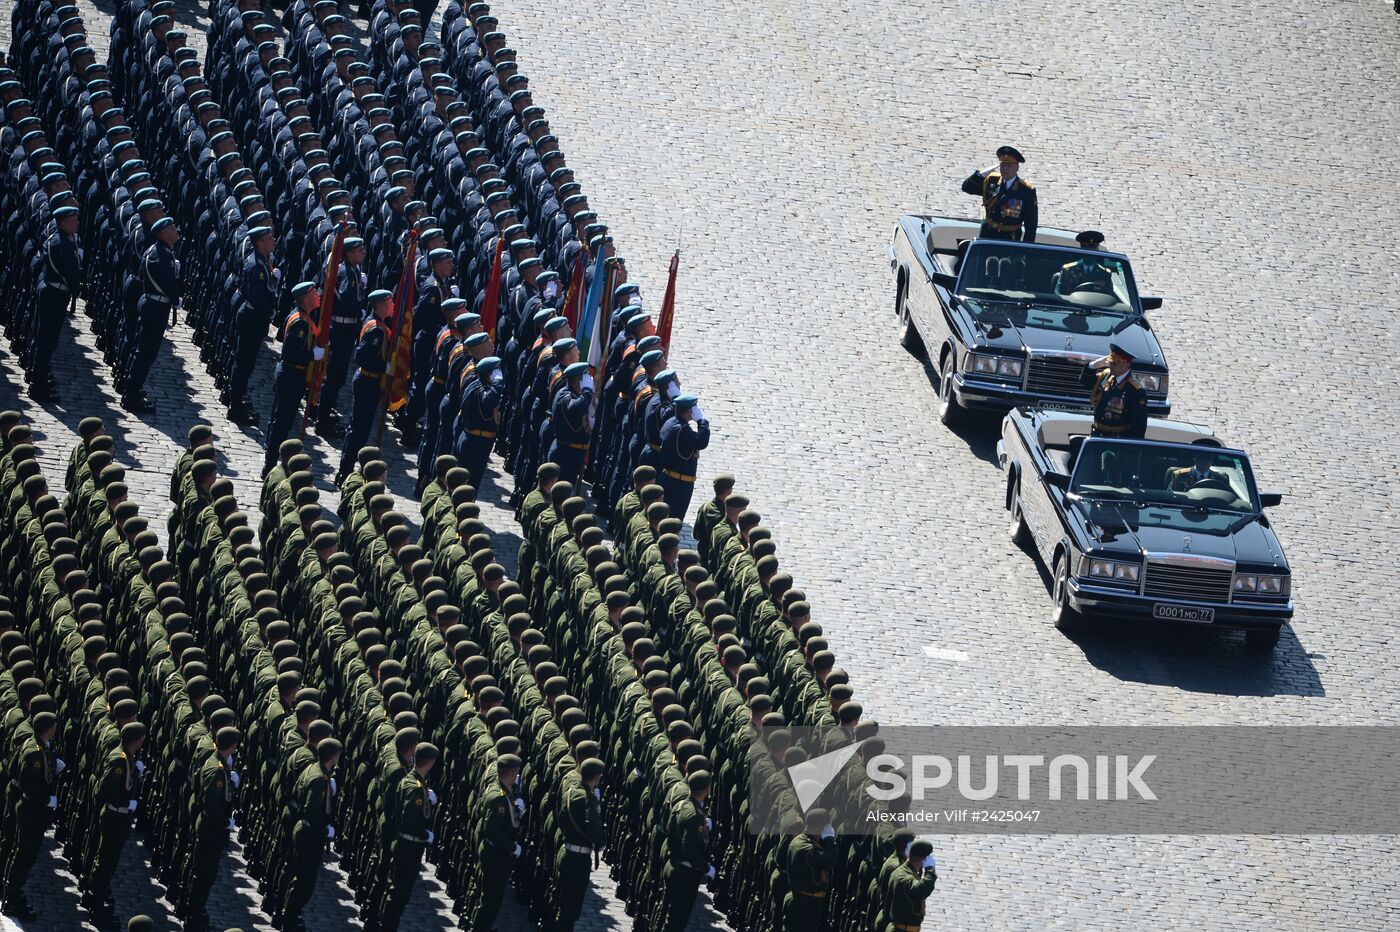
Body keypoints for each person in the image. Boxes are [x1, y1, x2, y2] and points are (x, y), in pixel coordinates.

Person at [263, 282, 323, 477]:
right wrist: (312, 355)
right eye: (314, 293)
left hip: (292, 374)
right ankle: (270, 464)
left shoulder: (302, 316)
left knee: (282, 419)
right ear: (306, 298)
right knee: (282, 421)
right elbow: (290, 352)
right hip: (291, 374)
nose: (318, 295)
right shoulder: (300, 323)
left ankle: (273, 458)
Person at [124, 217, 182, 412]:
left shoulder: (157, 250)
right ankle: (132, 393)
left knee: (143, 349)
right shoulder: (163, 255)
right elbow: (168, 282)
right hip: (156, 306)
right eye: (172, 229)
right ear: (164, 233)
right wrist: (176, 298)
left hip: (150, 301)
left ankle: (133, 387)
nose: (176, 232)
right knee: (146, 352)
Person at [337, 290, 394, 484]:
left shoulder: (378, 324)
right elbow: (360, 356)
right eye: (390, 302)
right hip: (367, 381)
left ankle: (348, 468)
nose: (393, 305)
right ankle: (345, 470)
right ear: (380, 306)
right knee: (358, 431)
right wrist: (383, 366)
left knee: (360, 428)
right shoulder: (376, 330)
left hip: (370, 381)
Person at [316, 236, 370, 438]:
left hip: (342, 327)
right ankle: (323, 418)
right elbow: (347, 297)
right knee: (336, 376)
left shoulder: (350, 270)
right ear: (349, 253)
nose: (363, 252)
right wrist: (359, 312)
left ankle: (325, 412)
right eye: (359, 250)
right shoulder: (348, 273)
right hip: (343, 328)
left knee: (336, 375)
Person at [29, 205, 82, 401]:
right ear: (64, 221)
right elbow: (70, 272)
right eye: (73, 219)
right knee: (47, 340)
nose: (77, 222)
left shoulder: (60, 237)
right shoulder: (63, 244)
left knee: (43, 337)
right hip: (55, 294)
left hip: (50, 289)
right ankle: (39, 384)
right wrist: (77, 289)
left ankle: (39, 376)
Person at [229, 227, 278, 424]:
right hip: (252, 317)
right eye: (269, 238)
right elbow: (256, 296)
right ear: (259, 242)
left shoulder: (262, 261)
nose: (273, 240)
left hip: (254, 317)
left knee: (247, 363)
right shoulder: (256, 265)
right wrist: (270, 311)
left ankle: (239, 399)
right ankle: (236, 406)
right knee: (243, 363)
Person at [961, 145, 1038, 243]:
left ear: (1017, 167)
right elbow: (967, 188)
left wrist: (1027, 248)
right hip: (987, 234)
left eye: (1009, 165)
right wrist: (979, 175)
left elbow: (1031, 224)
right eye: (1002, 165)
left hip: (1010, 238)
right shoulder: (991, 181)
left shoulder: (1026, 190)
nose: (1005, 168)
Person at [656, 394, 711, 521]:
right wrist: (702, 421)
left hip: (667, 477)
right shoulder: (683, 430)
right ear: (690, 411)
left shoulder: (671, 422)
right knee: (674, 520)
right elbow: (702, 441)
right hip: (679, 485)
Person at [1082, 342, 1147, 439]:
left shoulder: (1135, 391)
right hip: (1097, 435)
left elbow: (1138, 427)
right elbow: (1085, 382)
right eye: (1110, 362)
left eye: (1115, 363)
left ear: (1127, 364)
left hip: (1117, 440)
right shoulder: (1106, 376)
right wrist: (1093, 365)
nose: (1110, 366)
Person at [547, 361, 594, 486]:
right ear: (580, 380)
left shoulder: (575, 394)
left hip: (573, 455)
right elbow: (577, 407)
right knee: (558, 495)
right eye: (586, 378)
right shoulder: (565, 395)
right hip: (564, 455)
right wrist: (587, 391)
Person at [883, 838, 938, 931]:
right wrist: (930, 870)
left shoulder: (900, 871)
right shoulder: (905, 878)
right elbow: (922, 890)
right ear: (923, 859)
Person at [1055, 231, 1114, 295]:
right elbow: (1059, 294)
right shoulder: (1068, 270)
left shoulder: (1105, 273)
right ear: (1081, 249)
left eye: (1092, 247)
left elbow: (1110, 296)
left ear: (1097, 249)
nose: (1088, 251)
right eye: (1084, 247)